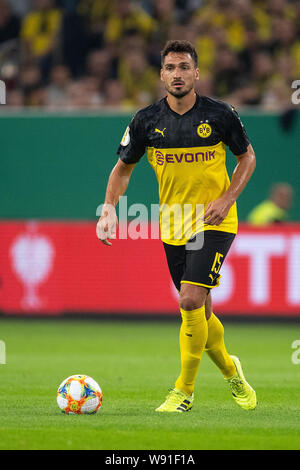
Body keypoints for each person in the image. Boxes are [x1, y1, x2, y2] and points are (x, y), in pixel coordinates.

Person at [96, 40, 257, 413]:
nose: (177, 74)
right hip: (172, 227)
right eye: (170, 68)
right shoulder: (145, 121)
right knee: (201, 313)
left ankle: (183, 392)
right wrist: (108, 210)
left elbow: (246, 158)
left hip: (214, 221)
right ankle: (232, 371)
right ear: (161, 75)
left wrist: (227, 199)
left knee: (188, 300)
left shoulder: (220, 115)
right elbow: (123, 168)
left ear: (196, 73)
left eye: (184, 67)